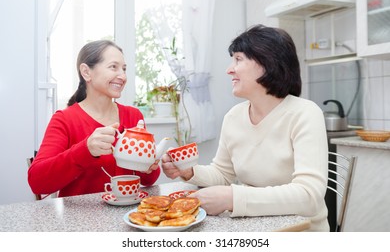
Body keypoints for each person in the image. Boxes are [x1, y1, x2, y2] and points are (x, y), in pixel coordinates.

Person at [161, 25, 329, 231]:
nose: (229, 69)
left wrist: (233, 198)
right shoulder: (234, 117)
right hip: (254, 227)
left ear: (267, 62)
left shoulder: (305, 113)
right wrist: (189, 171)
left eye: (238, 59)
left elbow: (309, 195)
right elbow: (222, 174)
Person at [28, 40, 160, 197]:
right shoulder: (64, 120)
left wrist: (149, 166)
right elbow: (37, 182)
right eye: (113, 67)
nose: (123, 76)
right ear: (86, 72)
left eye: (124, 69)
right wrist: (86, 150)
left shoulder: (134, 116)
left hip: (129, 216)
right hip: (79, 220)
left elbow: (148, 179)